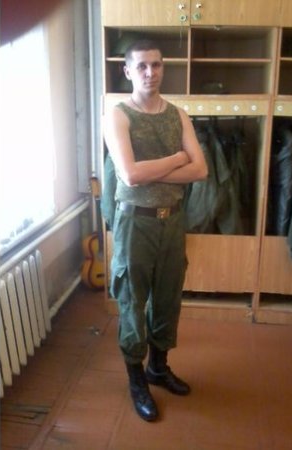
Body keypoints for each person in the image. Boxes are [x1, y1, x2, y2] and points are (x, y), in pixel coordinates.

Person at [103, 39, 208, 422]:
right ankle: (136, 381)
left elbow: (201, 170)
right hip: (136, 222)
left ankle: (158, 368)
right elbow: (130, 176)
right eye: (142, 66)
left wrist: (154, 169)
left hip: (172, 220)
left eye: (157, 65)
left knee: (168, 297)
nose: (151, 72)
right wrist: (179, 157)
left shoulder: (178, 115)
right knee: (132, 299)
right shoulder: (118, 116)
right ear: (128, 71)